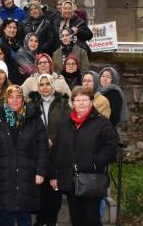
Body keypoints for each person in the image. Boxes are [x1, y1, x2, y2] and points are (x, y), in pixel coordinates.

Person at [50, 87, 118, 226]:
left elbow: (111, 147)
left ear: (91, 101)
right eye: (77, 100)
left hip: (92, 178)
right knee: (76, 218)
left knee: (91, 219)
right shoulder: (65, 124)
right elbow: (56, 150)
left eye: (85, 100)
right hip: (70, 179)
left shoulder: (102, 122)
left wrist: (94, 163)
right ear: (72, 102)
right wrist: (54, 174)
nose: (81, 103)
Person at [0, 85, 47, 226]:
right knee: (4, 216)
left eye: (18, 97)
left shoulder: (34, 118)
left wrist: (40, 171)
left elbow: (42, 147)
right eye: (11, 97)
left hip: (27, 174)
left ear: (23, 99)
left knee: (24, 216)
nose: (14, 100)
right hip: (2, 173)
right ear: (6, 99)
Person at [28, 74, 70, 226]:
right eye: (42, 84)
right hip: (38, 151)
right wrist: (41, 141)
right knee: (40, 190)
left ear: (53, 85)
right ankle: (40, 221)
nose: (45, 87)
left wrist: (52, 139)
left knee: (54, 189)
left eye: (47, 84)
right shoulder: (32, 104)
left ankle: (51, 221)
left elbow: (67, 124)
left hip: (56, 152)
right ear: (38, 87)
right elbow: (29, 125)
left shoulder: (63, 102)